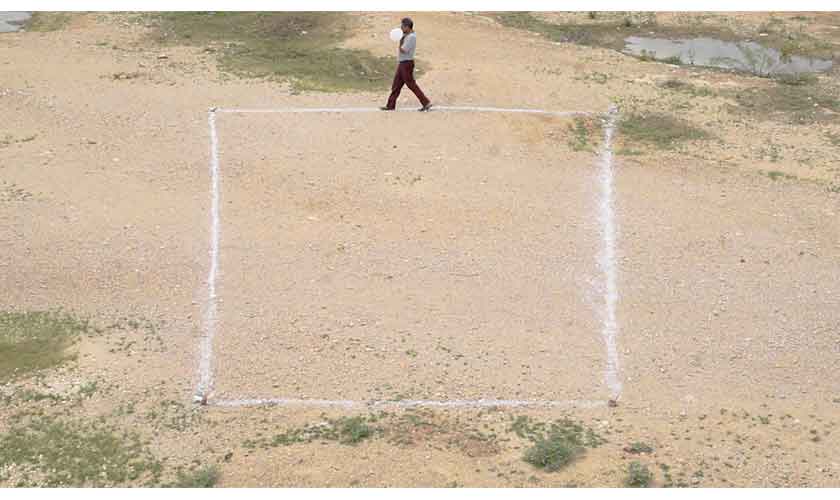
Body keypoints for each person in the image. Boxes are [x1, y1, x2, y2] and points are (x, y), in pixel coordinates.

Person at [381, 17, 432, 112]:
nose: (401, 29)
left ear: (408, 27)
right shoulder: (407, 35)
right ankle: (390, 105)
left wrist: (400, 41)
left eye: (403, 27)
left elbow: (404, 50)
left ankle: (426, 102)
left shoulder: (411, 37)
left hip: (406, 63)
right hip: (402, 63)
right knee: (396, 85)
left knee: (411, 85)